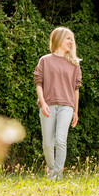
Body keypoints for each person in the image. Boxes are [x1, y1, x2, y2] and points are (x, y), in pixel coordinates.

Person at [34, 27, 82, 180]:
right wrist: (43, 103)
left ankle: (57, 175)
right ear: (58, 39)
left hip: (66, 106)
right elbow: (38, 84)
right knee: (48, 144)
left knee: (60, 140)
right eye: (68, 38)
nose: (71, 41)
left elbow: (76, 89)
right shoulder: (45, 60)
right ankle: (51, 170)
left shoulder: (74, 64)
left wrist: (75, 111)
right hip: (47, 106)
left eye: (71, 39)